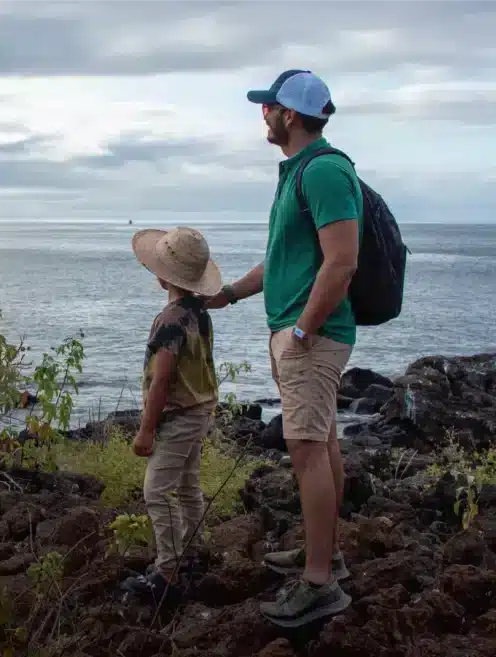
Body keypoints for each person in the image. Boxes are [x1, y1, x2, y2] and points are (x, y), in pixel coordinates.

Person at [205, 69, 362, 627]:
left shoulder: (323, 172)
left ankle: (319, 583)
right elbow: (281, 261)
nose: (263, 114)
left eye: (268, 106)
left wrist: (301, 332)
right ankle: (327, 554)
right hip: (303, 335)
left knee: (307, 451)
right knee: (322, 444)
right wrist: (227, 295)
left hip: (312, 339)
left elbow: (342, 261)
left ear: (289, 115)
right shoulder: (298, 173)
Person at [120, 226, 221, 603]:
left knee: (156, 490)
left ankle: (169, 571)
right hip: (201, 407)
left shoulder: (168, 321)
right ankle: (192, 553)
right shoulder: (198, 311)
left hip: (179, 415)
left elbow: (162, 379)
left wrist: (146, 430)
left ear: (164, 276)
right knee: (187, 485)